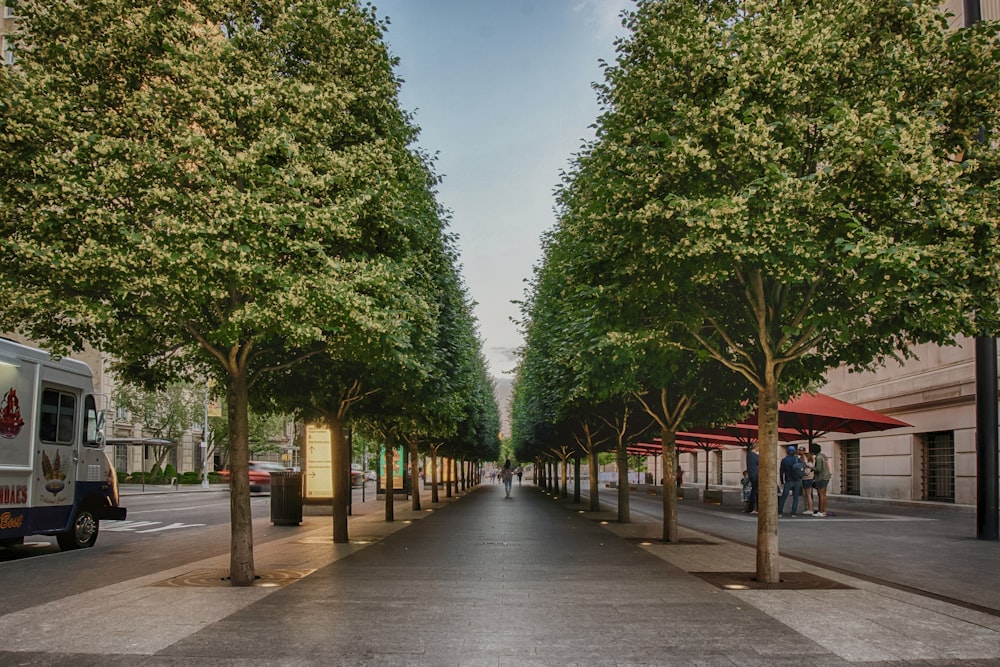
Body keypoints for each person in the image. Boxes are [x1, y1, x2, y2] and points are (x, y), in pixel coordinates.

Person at [778, 445, 802, 517]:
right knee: (795, 497)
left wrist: (782, 481)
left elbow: (781, 472)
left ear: (787, 452)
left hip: (788, 480)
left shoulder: (784, 460)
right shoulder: (798, 460)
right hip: (797, 480)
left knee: (784, 496)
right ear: (794, 452)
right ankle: (793, 513)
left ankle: (780, 512)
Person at [811, 443, 831, 516]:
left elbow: (818, 469)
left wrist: (811, 468)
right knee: (824, 494)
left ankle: (821, 511)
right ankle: (823, 511)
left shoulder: (818, 457)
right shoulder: (823, 455)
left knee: (821, 494)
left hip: (821, 477)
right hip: (826, 476)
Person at [800, 447, 816, 515]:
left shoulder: (808, 464)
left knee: (808, 494)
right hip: (808, 479)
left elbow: (807, 472)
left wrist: (805, 462)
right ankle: (809, 508)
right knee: (807, 494)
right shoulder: (811, 462)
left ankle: (810, 509)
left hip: (807, 479)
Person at [745, 444, 759, 513]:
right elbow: (759, 462)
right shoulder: (755, 456)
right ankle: (753, 508)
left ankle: (751, 507)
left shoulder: (748, 455)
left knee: (754, 491)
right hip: (756, 475)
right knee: (755, 491)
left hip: (751, 475)